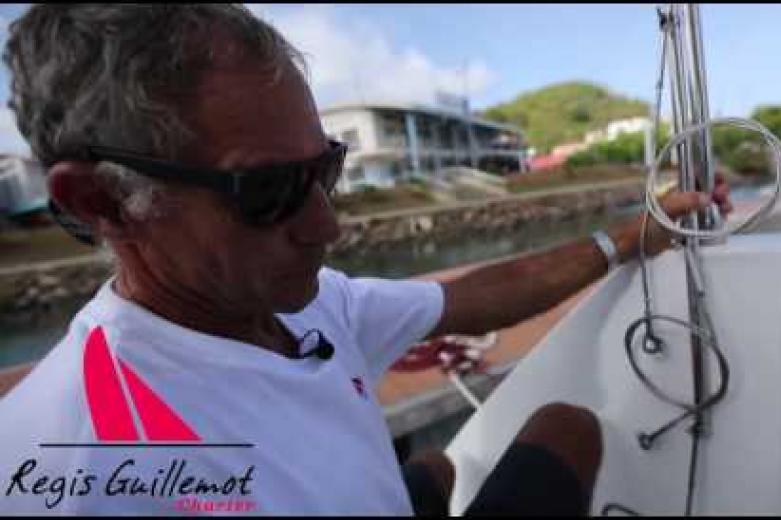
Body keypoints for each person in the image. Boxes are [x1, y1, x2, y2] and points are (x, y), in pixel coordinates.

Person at [0, 5, 732, 515]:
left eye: (326, 168)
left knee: (440, 466)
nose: (329, 224)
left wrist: (630, 239)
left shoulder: (305, 301)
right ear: (101, 202)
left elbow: (475, 295)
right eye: (270, 190)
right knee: (568, 427)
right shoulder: (70, 466)